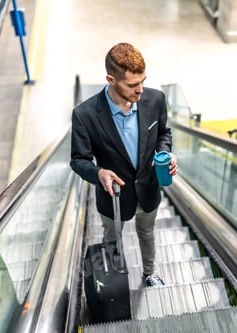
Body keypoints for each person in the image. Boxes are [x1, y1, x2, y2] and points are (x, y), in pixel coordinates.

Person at [70, 42, 178, 287]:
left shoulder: (156, 100)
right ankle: (117, 281)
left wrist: (165, 153)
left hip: (148, 189)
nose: (140, 90)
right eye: (132, 85)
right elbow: (78, 160)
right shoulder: (85, 115)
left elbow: (164, 133)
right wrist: (98, 173)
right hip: (113, 197)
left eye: (142, 81)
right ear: (110, 79)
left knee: (147, 233)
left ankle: (149, 273)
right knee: (112, 237)